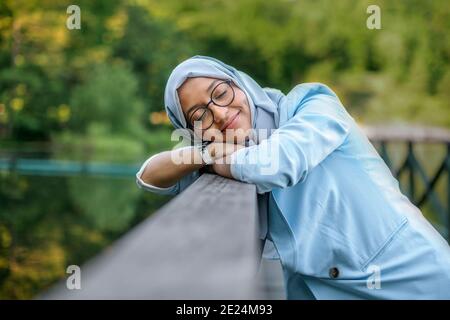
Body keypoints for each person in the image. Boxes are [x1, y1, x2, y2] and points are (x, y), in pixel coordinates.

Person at [136, 55, 450, 299]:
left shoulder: (312, 105)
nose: (218, 113)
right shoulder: (225, 153)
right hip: (328, 292)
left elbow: (276, 164)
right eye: (199, 115)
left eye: (220, 92)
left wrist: (218, 158)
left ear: (239, 83)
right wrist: (205, 154)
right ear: (191, 131)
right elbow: (150, 176)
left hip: (412, 278)